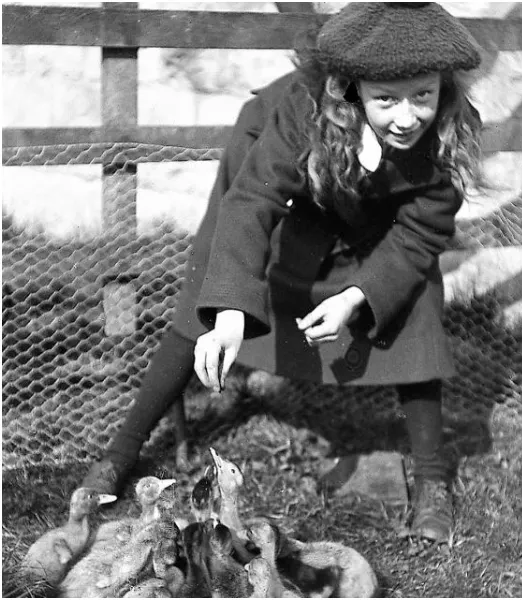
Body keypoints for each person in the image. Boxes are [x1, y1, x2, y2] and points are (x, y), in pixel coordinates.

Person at [81, 2, 483, 544]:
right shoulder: (301, 112)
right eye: (386, 99)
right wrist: (227, 315)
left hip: (366, 205)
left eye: (423, 96)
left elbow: (419, 234)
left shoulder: (444, 136)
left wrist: (356, 296)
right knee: (209, 288)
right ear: (350, 88)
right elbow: (251, 204)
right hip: (281, 182)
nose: (407, 117)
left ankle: (432, 479)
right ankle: (121, 452)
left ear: (445, 87)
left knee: (415, 297)